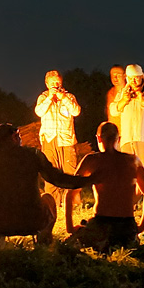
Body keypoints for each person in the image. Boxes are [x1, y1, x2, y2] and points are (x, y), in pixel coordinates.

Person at [0, 122, 92, 243]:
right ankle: (43, 243)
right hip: (30, 221)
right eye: (19, 136)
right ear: (13, 137)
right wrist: (87, 180)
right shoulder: (32, 155)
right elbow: (57, 179)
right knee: (48, 198)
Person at [66, 122, 144, 252]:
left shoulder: (92, 160)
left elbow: (71, 192)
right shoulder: (133, 160)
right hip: (126, 225)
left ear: (98, 138)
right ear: (118, 139)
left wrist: (70, 227)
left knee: (69, 246)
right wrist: (141, 226)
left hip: (101, 224)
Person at [35, 70, 82, 210]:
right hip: (49, 139)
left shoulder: (69, 96)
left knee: (70, 172)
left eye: (58, 82)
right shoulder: (43, 97)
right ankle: (52, 205)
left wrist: (63, 98)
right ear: (47, 84)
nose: (56, 85)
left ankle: (72, 204)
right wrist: (50, 98)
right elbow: (38, 112)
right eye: (53, 83)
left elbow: (76, 111)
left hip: (66, 139)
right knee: (50, 173)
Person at [109, 63, 144, 165]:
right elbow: (113, 111)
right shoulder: (123, 93)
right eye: (130, 78)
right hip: (127, 140)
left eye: (136, 78)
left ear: (141, 77)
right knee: (128, 173)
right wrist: (123, 101)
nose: (133, 81)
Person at [105, 64, 126, 130]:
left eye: (118, 75)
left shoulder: (129, 91)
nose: (115, 78)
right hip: (113, 131)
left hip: (126, 131)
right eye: (113, 75)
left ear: (124, 76)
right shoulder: (110, 92)